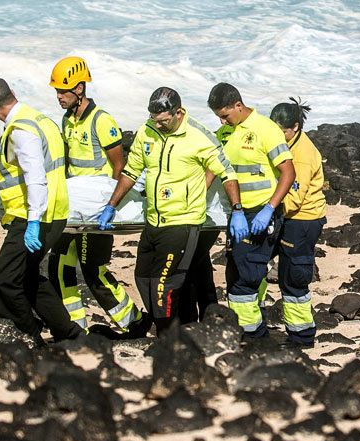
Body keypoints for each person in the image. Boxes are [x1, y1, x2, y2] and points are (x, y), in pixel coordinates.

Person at [98, 87, 241, 335]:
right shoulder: (147, 130)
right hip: (153, 220)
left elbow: (227, 172)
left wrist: (237, 209)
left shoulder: (198, 136)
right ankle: (177, 332)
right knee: (143, 280)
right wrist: (111, 206)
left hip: (183, 223)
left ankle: (170, 340)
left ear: (178, 113)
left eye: (164, 121)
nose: (159, 125)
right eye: (156, 120)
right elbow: (131, 172)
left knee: (163, 287)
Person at [48, 56, 147, 337]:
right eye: (56, 91)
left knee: (93, 271)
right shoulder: (67, 121)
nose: (58, 97)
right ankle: (75, 329)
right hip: (75, 208)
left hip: (98, 210)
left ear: (79, 89)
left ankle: (135, 322)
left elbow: (119, 166)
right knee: (60, 267)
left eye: (62, 91)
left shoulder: (102, 121)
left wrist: (110, 205)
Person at [0, 78, 82, 344]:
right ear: (13, 93)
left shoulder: (21, 130)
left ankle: (27, 336)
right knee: (27, 277)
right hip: (55, 211)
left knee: (3, 281)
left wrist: (34, 221)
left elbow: (35, 177)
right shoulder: (41, 119)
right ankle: (69, 333)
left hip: (34, 217)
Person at [208, 83, 297, 340]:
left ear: (238, 105)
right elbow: (214, 168)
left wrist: (269, 209)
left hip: (260, 212)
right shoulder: (225, 132)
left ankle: (255, 337)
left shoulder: (265, 130)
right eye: (218, 117)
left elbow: (288, 172)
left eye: (225, 115)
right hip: (237, 214)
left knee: (244, 279)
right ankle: (246, 333)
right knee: (234, 273)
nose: (222, 120)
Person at [268, 98, 327, 346]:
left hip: (303, 220)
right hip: (289, 216)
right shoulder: (284, 145)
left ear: (295, 127)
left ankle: (302, 335)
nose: (277, 136)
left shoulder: (302, 154)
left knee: (294, 277)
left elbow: (294, 198)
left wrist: (269, 211)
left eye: (282, 131)